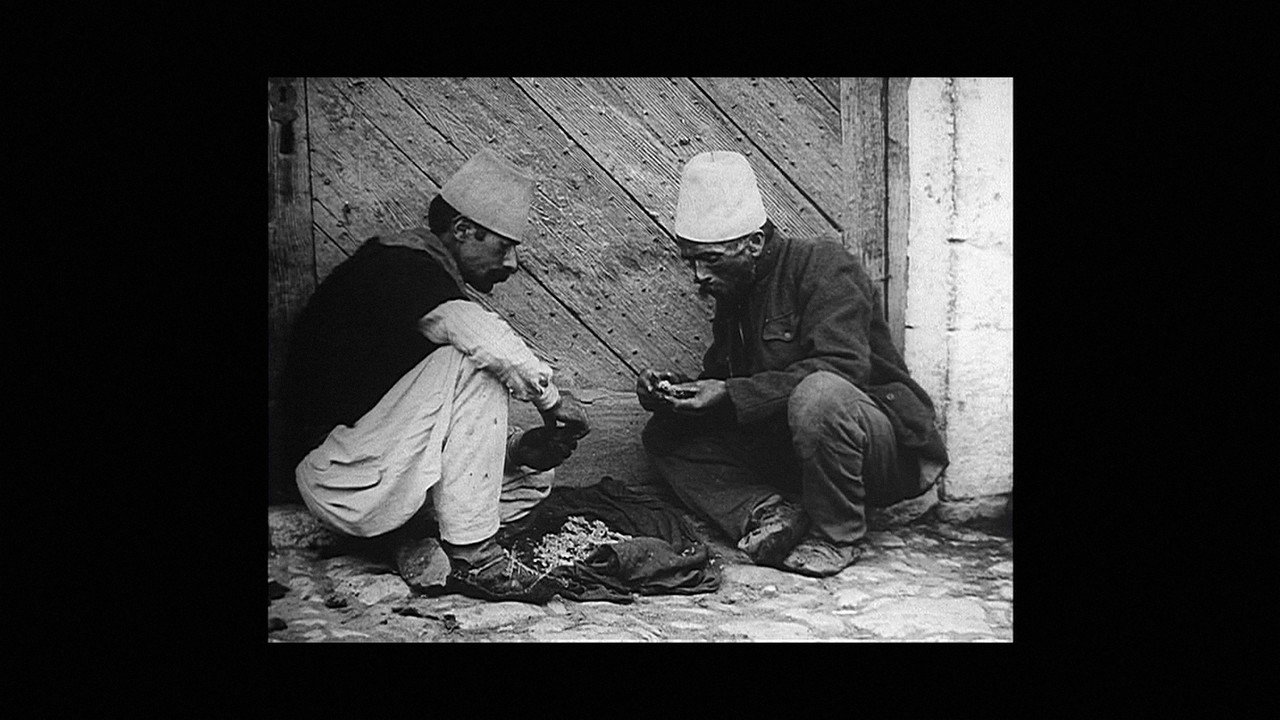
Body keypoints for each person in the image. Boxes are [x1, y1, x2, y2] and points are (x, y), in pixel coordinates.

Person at [279, 149, 590, 600]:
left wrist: (514, 452)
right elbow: (481, 339)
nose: (511, 264)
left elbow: (419, 419)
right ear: (462, 230)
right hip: (336, 476)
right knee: (474, 361)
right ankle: (475, 558)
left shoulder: (425, 279)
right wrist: (551, 401)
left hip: (378, 470)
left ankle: (412, 540)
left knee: (534, 475)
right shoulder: (398, 266)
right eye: (503, 247)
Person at [637, 150, 948, 577]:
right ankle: (768, 512)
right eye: (690, 260)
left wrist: (730, 393)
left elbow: (843, 369)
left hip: (878, 452)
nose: (698, 275)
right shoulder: (737, 290)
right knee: (666, 433)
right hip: (797, 450)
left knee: (819, 394)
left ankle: (837, 536)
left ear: (754, 244)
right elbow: (730, 382)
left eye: (711, 258)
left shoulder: (824, 266)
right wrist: (675, 393)